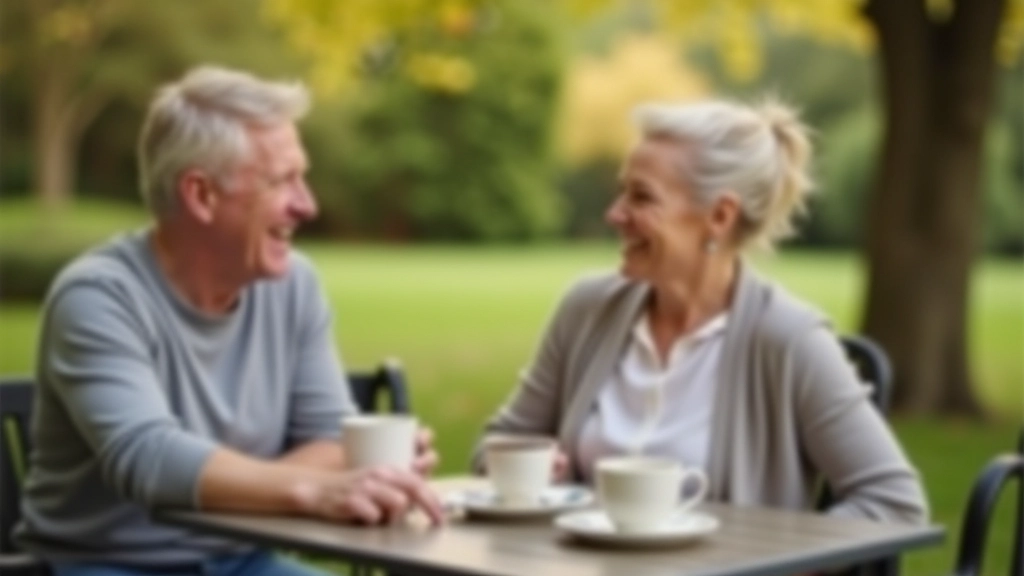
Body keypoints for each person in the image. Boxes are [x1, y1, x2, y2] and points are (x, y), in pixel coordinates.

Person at [15, 66, 444, 576]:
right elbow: (149, 459)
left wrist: (336, 475)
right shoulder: (99, 296)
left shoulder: (294, 284)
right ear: (201, 195)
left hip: (245, 561)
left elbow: (331, 437)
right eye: (282, 180)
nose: (308, 205)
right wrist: (311, 489)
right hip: (109, 566)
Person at [476, 98, 927, 524]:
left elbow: (894, 503)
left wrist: (781, 563)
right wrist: (531, 471)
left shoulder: (791, 339)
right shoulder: (587, 309)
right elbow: (490, 451)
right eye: (621, 193)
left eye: (641, 197)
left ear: (719, 216)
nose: (615, 214)